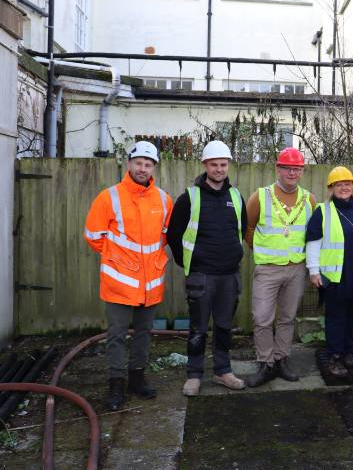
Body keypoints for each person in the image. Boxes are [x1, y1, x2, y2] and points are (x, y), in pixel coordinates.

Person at [84, 141, 173, 411]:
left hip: (151, 282)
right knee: (117, 334)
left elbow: (167, 236)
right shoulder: (108, 197)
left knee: (144, 333)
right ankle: (116, 384)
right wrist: (119, 260)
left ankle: (137, 378)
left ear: (154, 167)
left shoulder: (163, 199)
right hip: (119, 283)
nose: (143, 168)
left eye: (148, 164)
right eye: (139, 163)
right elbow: (93, 236)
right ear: (129, 164)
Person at [166, 141, 247, 396]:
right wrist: (189, 262)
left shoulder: (235, 196)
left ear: (228, 165)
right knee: (198, 328)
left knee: (223, 326)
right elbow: (174, 235)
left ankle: (223, 371)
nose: (219, 169)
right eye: (214, 165)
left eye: (223, 164)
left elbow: (241, 230)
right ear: (205, 165)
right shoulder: (189, 197)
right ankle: (194, 375)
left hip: (229, 275)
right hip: (201, 275)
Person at [244, 147, 317, 386]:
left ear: (302, 171)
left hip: (296, 269)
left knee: (287, 318)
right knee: (262, 318)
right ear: (278, 168)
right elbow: (249, 228)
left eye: (296, 168)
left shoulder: (309, 199)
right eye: (287, 167)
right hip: (267, 269)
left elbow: (314, 234)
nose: (292, 172)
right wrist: (263, 252)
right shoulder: (260, 196)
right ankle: (266, 363)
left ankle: (282, 359)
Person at [305, 167, 353, 377]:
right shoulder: (323, 211)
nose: (344, 188)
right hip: (335, 277)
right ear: (331, 189)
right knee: (336, 318)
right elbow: (313, 243)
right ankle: (335, 357)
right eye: (338, 185)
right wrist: (313, 270)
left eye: (347, 184)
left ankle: (348, 352)